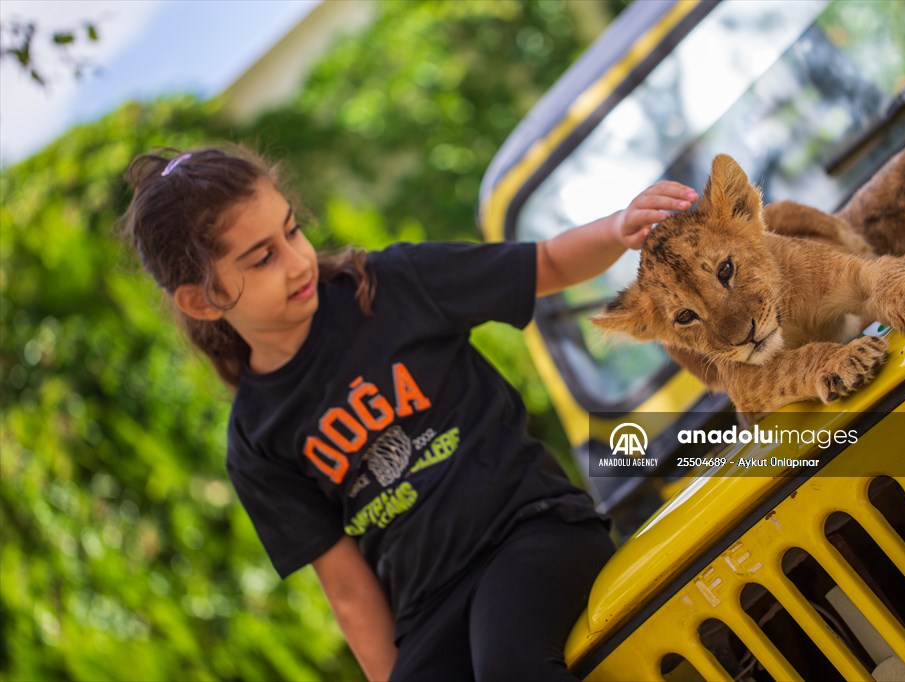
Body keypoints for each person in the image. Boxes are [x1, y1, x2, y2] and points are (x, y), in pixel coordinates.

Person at [122, 145, 698, 681]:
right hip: (431, 609)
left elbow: (543, 263)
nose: (297, 261)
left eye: (292, 231)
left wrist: (616, 229)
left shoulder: (392, 285)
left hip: (532, 535)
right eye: (263, 258)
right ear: (202, 299)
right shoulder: (254, 440)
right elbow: (347, 589)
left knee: (510, 667)